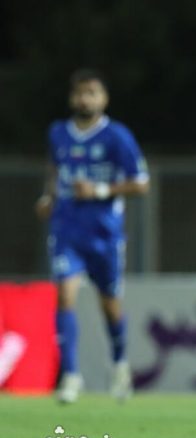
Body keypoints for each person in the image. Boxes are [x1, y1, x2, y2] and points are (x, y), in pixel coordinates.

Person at [34, 69, 150, 403]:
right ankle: (71, 375)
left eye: (92, 93)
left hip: (105, 234)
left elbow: (141, 183)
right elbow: (56, 169)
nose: (85, 99)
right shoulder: (58, 133)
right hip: (67, 229)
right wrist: (48, 197)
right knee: (64, 295)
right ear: (72, 97)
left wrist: (99, 190)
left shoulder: (117, 136)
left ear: (104, 98)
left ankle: (120, 366)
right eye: (80, 93)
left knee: (109, 306)